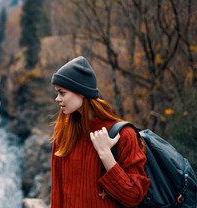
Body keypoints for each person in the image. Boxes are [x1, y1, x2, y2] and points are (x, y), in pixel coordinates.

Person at [50, 56, 150, 207]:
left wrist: (105, 154)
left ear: (81, 92)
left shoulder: (123, 135)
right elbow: (58, 190)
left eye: (62, 92)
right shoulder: (63, 131)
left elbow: (134, 196)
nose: (57, 98)